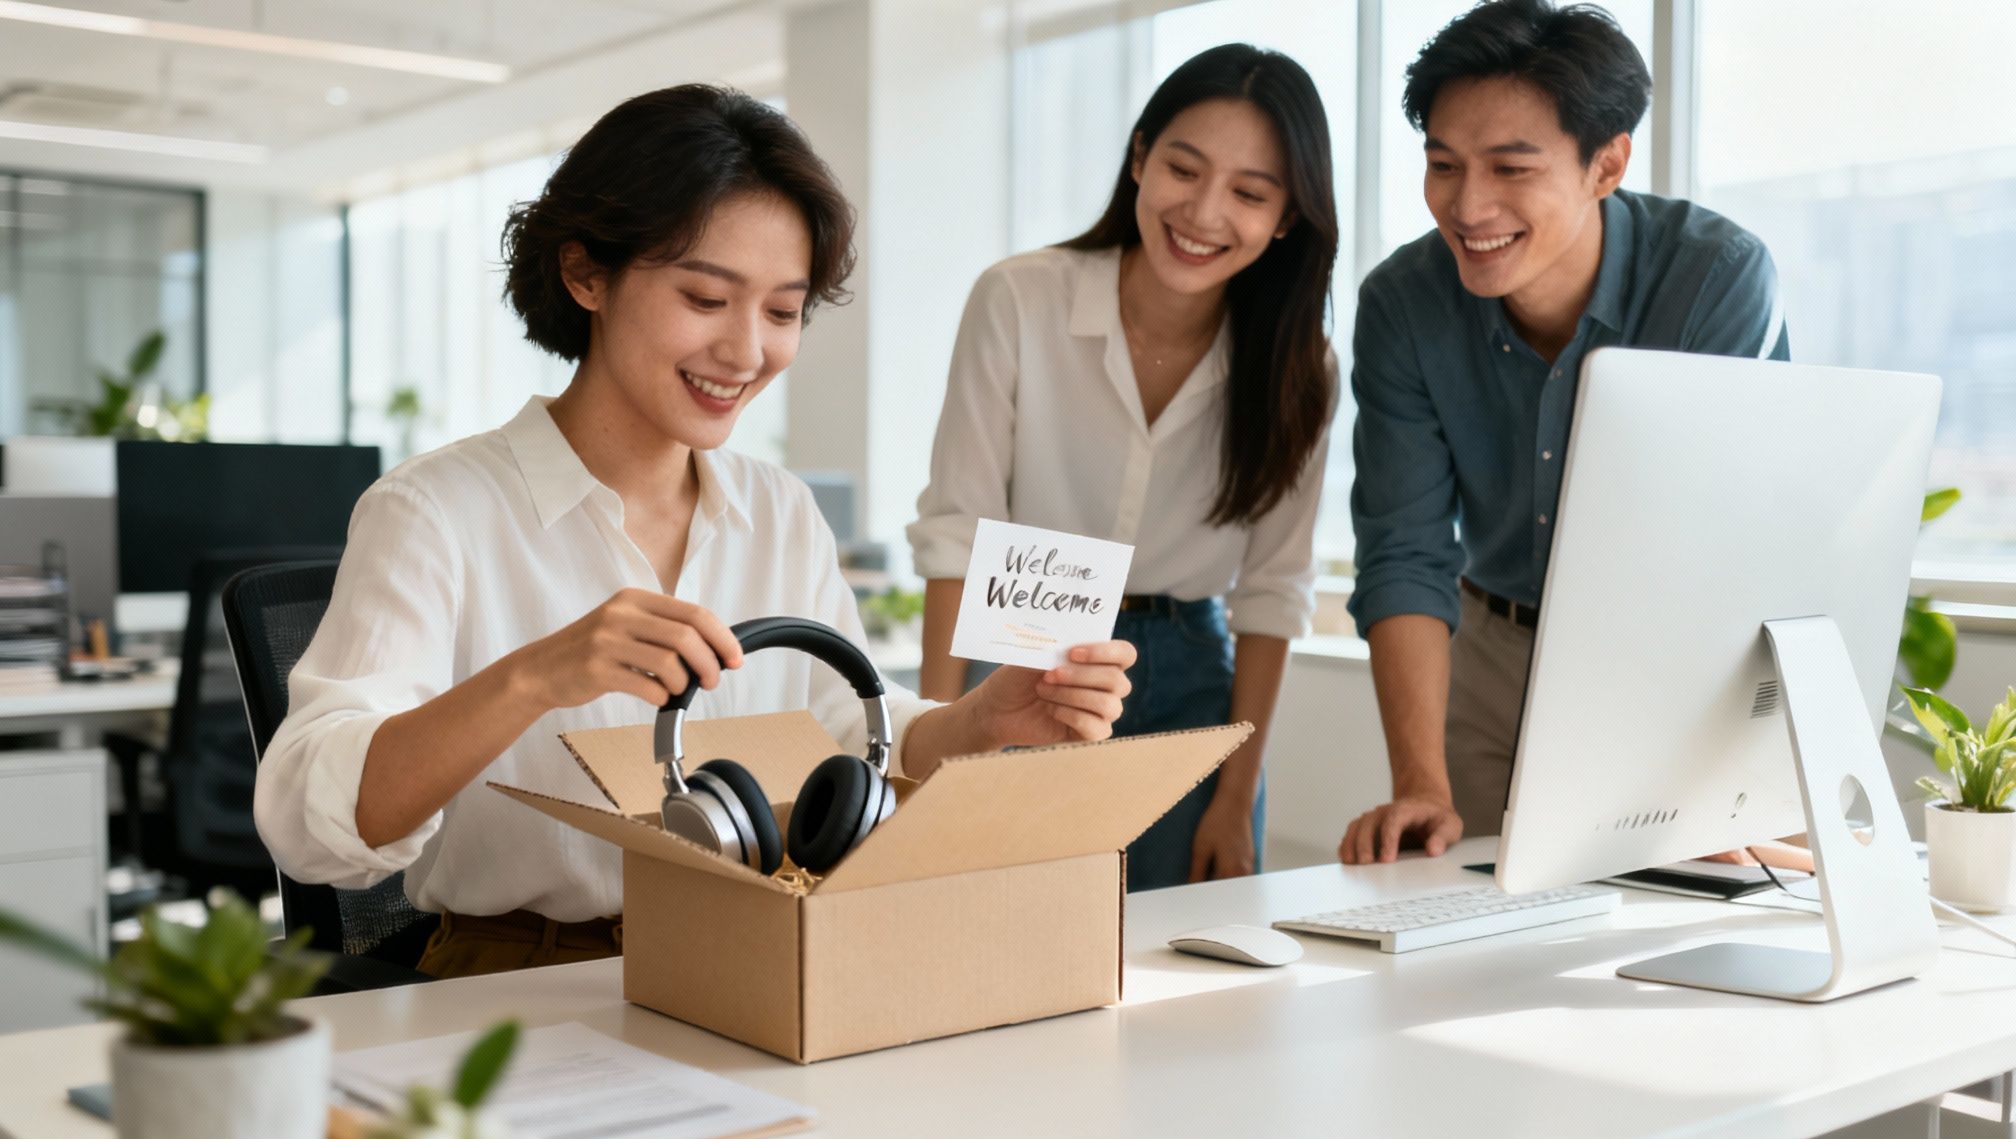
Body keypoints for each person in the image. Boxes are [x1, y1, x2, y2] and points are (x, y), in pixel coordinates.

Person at [254, 86, 1138, 979]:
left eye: (783, 312)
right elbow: (306, 825)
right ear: (586, 274)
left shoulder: (780, 510)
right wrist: (534, 677)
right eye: (707, 298)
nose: (747, 352)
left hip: (754, 960)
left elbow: (843, 731)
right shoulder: (433, 510)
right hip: (523, 982)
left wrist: (978, 722)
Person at [1339, 0, 1789, 865]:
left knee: (1670, 928)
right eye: (1443, 165)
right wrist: (1419, 783)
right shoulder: (1401, 305)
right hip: (1490, 644)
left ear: (1606, 164)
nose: (1469, 206)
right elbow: (1404, 549)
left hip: (1667, 651)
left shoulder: (1715, 278)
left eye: (1512, 169)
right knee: (1464, 909)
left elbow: (1715, 547)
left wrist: (1696, 776)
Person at [910, 44, 1339, 891]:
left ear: (1286, 217)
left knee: (1177, 963)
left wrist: (1236, 794)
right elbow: (958, 534)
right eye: (1184, 168)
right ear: (1140, 157)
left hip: (1192, 680)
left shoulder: (1300, 369)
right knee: (999, 924)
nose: (1205, 212)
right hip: (1024, 649)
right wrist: (927, 747)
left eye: (1250, 193)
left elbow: (1273, 590)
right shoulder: (1019, 298)